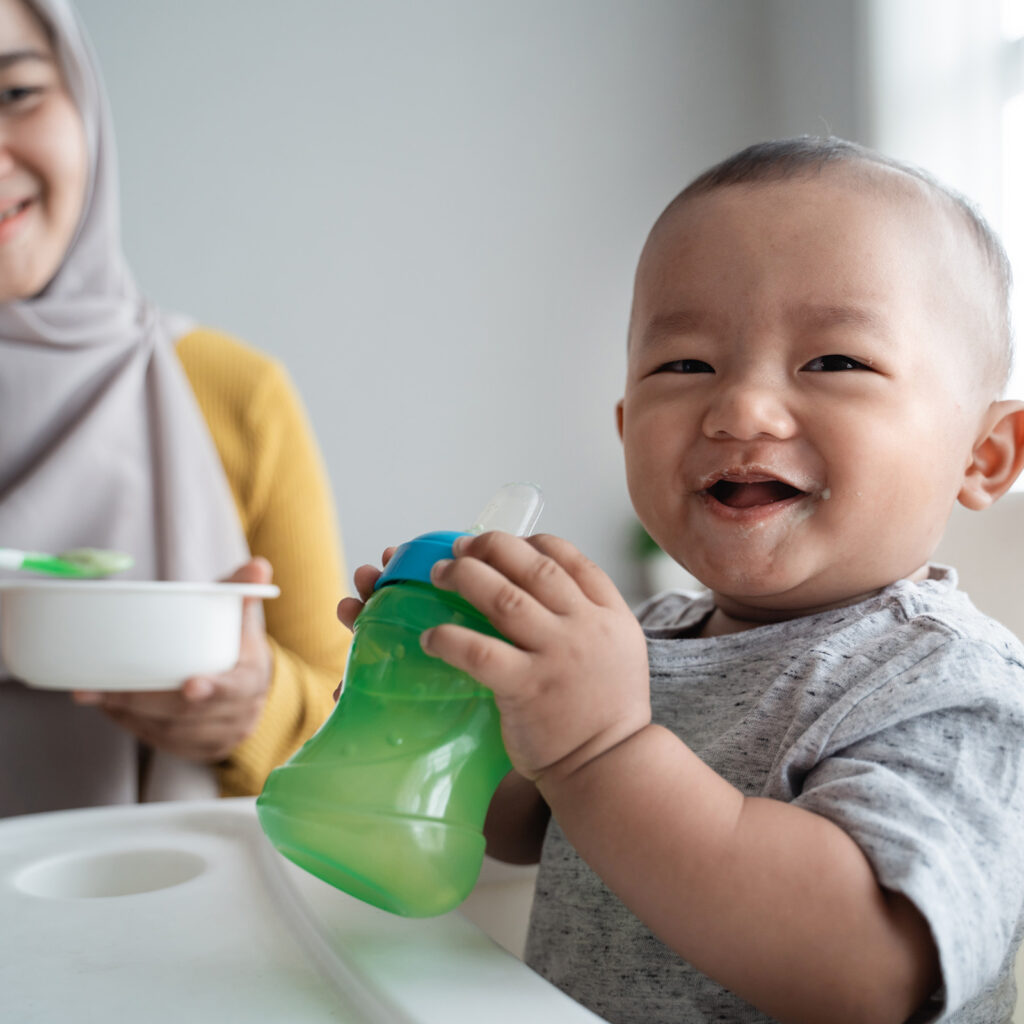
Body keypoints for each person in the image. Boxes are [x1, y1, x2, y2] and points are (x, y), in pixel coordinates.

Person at [340, 137, 1024, 1023]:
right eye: (685, 364)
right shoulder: (644, 632)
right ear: (626, 427)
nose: (739, 408)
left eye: (835, 362)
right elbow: (520, 833)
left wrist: (599, 751)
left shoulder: (952, 689)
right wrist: (448, 703)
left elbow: (867, 972)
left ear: (985, 453)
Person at [0, 0, 351, 816]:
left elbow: (351, 735)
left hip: (163, 923)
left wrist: (252, 708)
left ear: (81, 98)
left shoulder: (229, 391)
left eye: (15, 93)